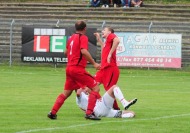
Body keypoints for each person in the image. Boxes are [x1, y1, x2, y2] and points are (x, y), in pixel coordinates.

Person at [47, 20, 102, 120]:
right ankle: (89, 113)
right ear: (85, 29)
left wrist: (73, 56)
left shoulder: (71, 38)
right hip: (77, 69)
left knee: (66, 93)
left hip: (69, 68)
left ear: (75, 28)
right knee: (96, 88)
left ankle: (53, 112)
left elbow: (65, 52)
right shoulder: (83, 37)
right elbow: (84, 51)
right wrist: (94, 63)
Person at [94, 27, 121, 110]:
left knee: (109, 89)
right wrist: (99, 39)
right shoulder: (107, 42)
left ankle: (115, 108)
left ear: (109, 32)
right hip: (103, 69)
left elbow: (117, 40)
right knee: (92, 85)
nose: (102, 31)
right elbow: (103, 47)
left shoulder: (111, 36)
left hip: (110, 68)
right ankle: (98, 103)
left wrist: (110, 54)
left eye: (104, 30)